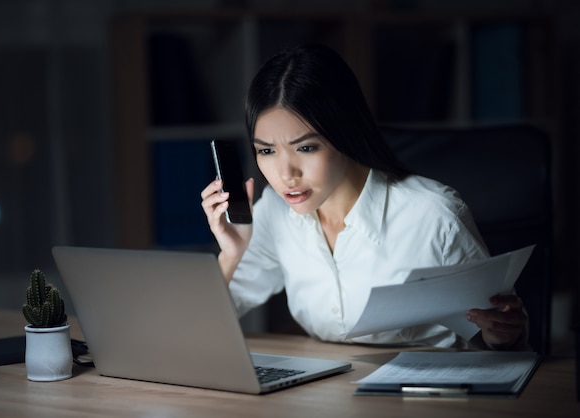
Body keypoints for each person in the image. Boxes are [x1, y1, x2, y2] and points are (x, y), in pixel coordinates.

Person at [200, 44, 528, 350]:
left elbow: (499, 335)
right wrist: (231, 255)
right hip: (324, 392)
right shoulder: (275, 210)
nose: (286, 175)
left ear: (345, 134)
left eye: (306, 147)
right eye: (267, 151)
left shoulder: (432, 214)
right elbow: (205, 323)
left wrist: (502, 332)